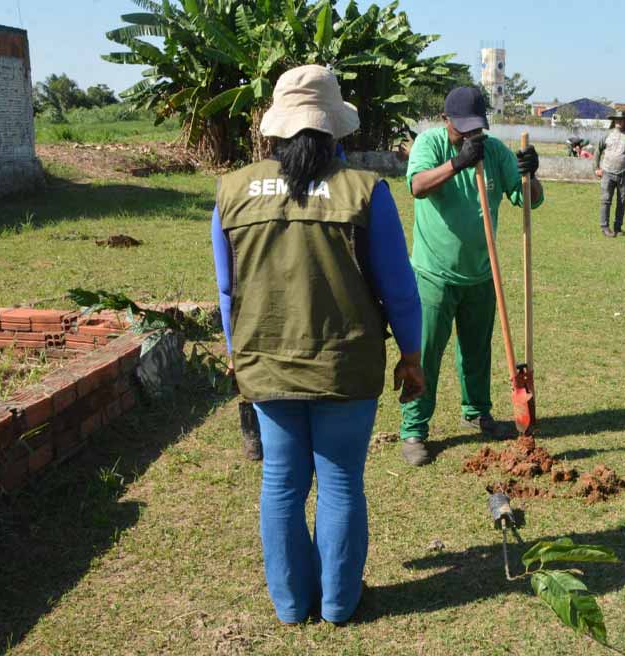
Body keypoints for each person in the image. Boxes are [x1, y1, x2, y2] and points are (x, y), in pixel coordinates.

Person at [211, 65, 425, 625]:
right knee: (339, 480)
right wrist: (412, 355)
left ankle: (290, 605)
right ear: (334, 129)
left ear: (277, 129)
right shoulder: (364, 191)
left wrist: (238, 356)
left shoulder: (232, 192)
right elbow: (400, 290)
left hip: (264, 362)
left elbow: (227, 290)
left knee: (280, 482)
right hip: (345, 365)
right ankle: (338, 604)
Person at [399, 86, 544, 466]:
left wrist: (531, 175)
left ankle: (477, 412)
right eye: (462, 128)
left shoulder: (494, 151)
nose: (470, 135)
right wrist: (458, 163)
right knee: (426, 354)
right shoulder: (430, 144)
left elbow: (527, 199)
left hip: (483, 273)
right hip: (434, 275)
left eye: (475, 128)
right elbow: (416, 186)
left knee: (477, 352)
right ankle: (414, 429)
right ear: (446, 120)